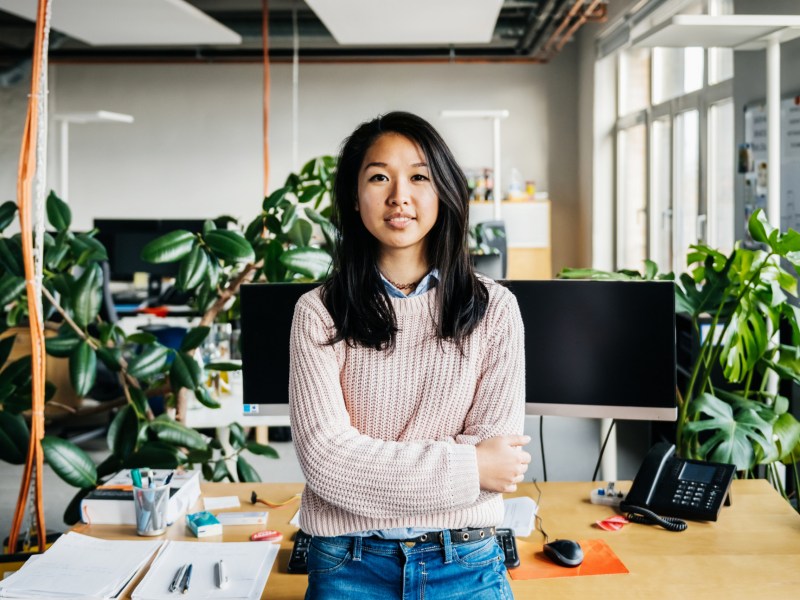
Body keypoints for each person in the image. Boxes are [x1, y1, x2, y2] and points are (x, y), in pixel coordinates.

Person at [289, 111, 530, 599]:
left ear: (443, 190)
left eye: (419, 176)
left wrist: (374, 470)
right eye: (379, 177)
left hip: (466, 562)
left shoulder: (495, 310)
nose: (399, 195)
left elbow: (500, 466)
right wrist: (469, 466)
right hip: (347, 562)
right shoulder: (318, 312)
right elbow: (326, 462)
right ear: (355, 199)